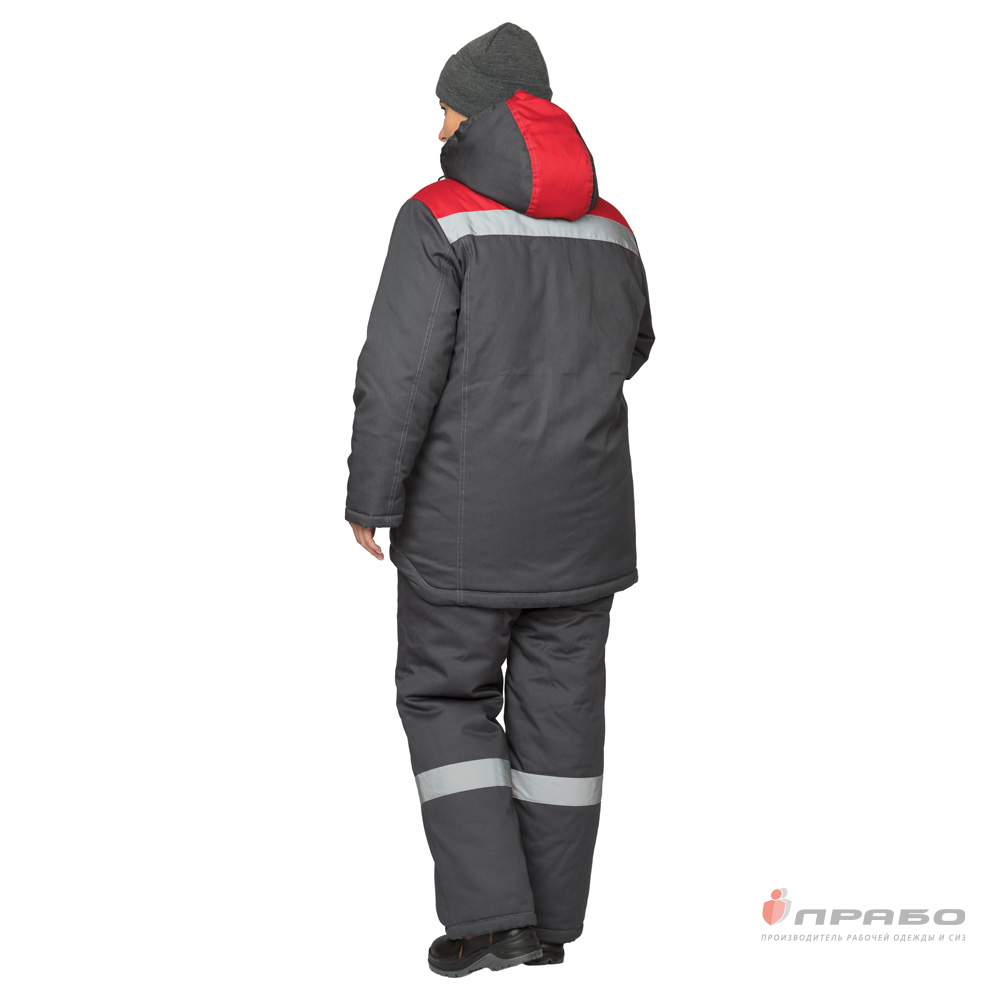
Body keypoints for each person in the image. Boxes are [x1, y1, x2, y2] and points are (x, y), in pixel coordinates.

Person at [345, 22, 655, 977]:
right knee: (564, 718)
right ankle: (549, 923)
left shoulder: (436, 216)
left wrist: (370, 498)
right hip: (586, 529)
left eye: (446, 107)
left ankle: (493, 922)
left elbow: (398, 374)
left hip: (463, 530)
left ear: (481, 113)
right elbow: (634, 346)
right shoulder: (612, 225)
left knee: (447, 699)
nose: (437, 125)